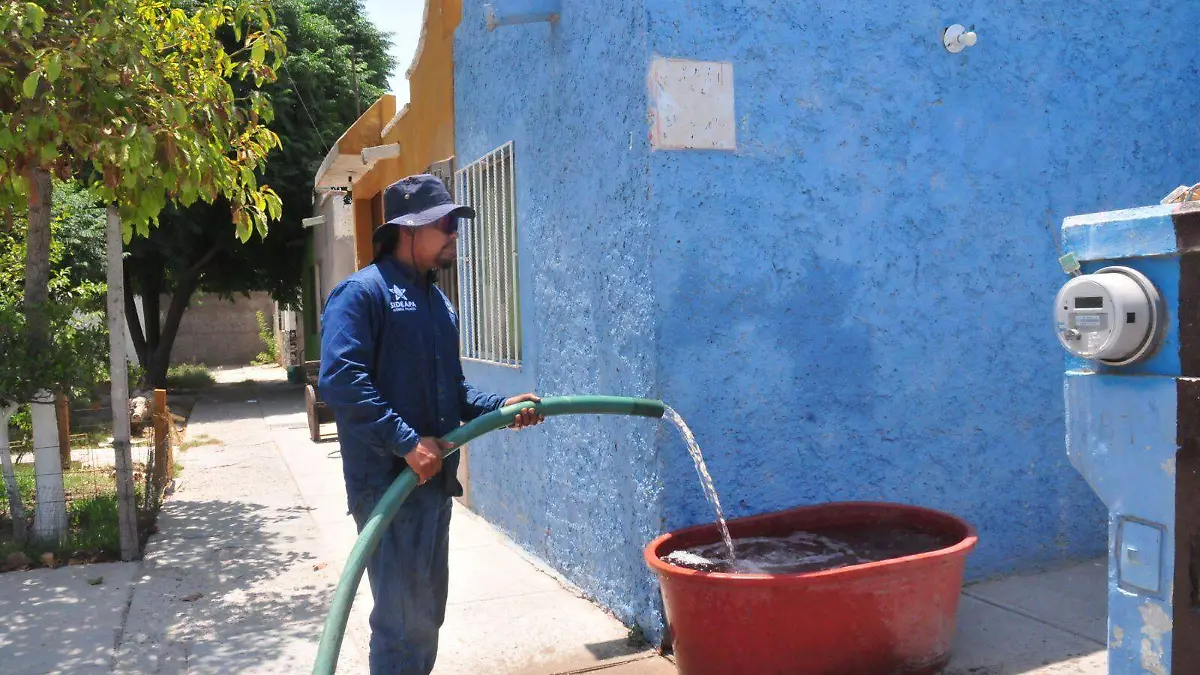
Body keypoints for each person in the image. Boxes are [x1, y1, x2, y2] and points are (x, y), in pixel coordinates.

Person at [317, 174, 543, 674]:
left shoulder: (438, 304)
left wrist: (501, 409)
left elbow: (453, 393)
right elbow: (341, 380)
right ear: (407, 229)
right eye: (442, 223)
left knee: (426, 616)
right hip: (387, 487)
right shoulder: (362, 294)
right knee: (401, 624)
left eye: (454, 223)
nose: (453, 233)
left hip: (432, 484)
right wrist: (404, 442)